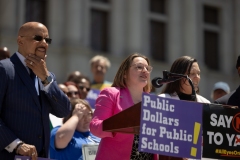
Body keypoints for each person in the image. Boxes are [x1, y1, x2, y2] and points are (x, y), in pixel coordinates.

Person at [0, 22, 71, 160]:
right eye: (38, 38)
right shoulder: (4, 69)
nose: (44, 43)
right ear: (20, 41)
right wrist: (16, 144)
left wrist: (45, 77)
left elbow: (64, 110)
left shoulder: (47, 76)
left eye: (47, 40)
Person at [90, 53, 158, 160]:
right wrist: (119, 123)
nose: (145, 71)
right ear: (125, 73)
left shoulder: (153, 102)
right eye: (139, 67)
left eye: (147, 68)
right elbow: (95, 126)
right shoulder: (111, 93)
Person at [158, 56, 212, 160]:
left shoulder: (206, 104)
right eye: (192, 74)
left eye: (198, 73)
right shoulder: (163, 101)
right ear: (177, 76)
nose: (197, 77)